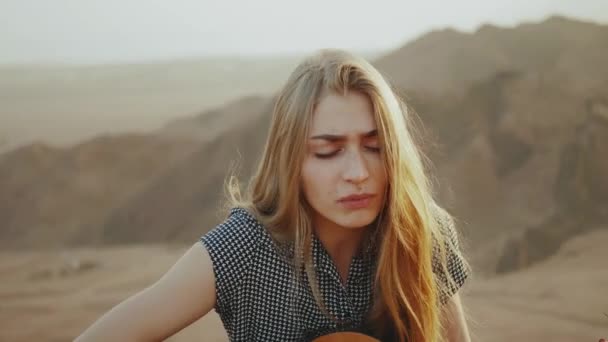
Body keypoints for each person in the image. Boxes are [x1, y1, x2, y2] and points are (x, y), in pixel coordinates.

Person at [75, 49, 472, 342]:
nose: (358, 173)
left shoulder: (421, 232)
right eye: (328, 151)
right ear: (291, 160)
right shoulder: (246, 247)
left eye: (375, 146)